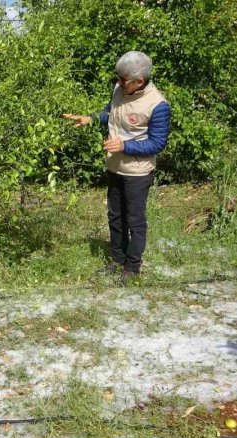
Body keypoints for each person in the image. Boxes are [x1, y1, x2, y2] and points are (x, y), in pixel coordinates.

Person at [64, 51, 171, 283]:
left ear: (139, 81)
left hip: (137, 172)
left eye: (123, 79)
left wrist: (124, 145)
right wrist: (91, 118)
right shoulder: (120, 89)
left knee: (135, 220)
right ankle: (117, 260)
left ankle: (132, 268)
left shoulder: (158, 105)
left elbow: (158, 143)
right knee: (115, 216)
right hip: (115, 167)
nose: (119, 83)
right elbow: (112, 115)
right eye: (119, 78)